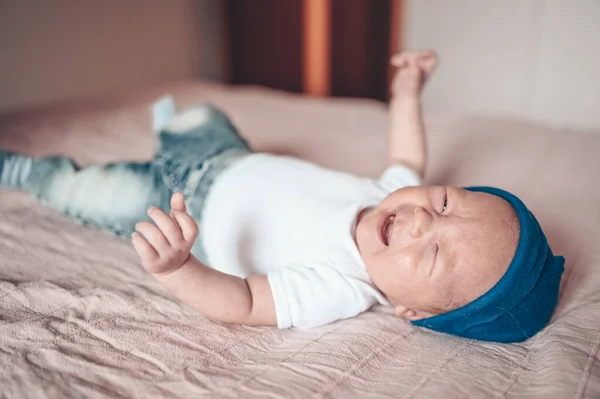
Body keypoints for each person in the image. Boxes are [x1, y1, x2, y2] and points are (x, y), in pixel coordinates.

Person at [0, 50, 564, 343]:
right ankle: (173, 129)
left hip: (178, 207)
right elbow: (410, 156)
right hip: (227, 158)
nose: (420, 220)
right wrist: (407, 91)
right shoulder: (390, 193)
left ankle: (26, 171)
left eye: (435, 253)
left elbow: (243, 302)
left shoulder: (339, 286)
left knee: (85, 189)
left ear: (411, 312)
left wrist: (178, 269)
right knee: (204, 114)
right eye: (443, 202)